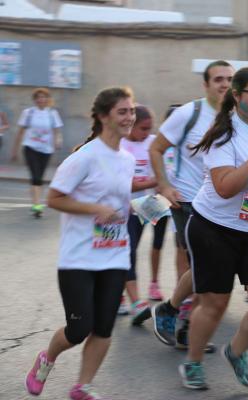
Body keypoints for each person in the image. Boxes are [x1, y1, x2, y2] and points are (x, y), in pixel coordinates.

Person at [179, 66, 248, 390]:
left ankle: (236, 351)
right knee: (214, 304)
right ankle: (194, 362)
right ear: (237, 96)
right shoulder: (223, 136)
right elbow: (226, 187)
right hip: (215, 227)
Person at [24, 87, 137, 399]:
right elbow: (54, 198)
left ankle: (82, 386)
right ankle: (46, 360)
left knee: (104, 328)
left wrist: (140, 206)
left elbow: (117, 201)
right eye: (122, 112)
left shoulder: (126, 159)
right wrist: (95, 209)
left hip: (114, 255)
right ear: (103, 117)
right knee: (79, 329)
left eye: (131, 111)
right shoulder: (84, 158)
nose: (130, 117)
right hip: (78, 259)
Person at [149, 60, 235, 349]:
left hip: (221, 203)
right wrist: (163, 185)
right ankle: (176, 312)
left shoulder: (237, 117)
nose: (224, 84)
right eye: (218, 79)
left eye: (229, 79)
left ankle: (183, 323)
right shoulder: (190, 113)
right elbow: (156, 148)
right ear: (206, 85)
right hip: (188, 201)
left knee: (210, 268)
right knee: (204, 265)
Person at [118, 104, 168, 325]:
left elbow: (164, 169)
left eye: (150, 128)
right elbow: (123, 184)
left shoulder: (153, 143)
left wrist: (161, 185)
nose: (147, 133)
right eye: (142, 128)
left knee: (158, 244)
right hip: (127, 207)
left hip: (151, 203)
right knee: (129, 251)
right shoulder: (120, 144)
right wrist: (156, 181)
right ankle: (127, 298)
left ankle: (147, 288)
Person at [11, 88, 63, 217]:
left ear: (48, 99)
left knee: (39, 176)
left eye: (44, 97)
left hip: (46, 150)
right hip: (30, 147)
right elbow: (20, 132)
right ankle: (36, 205)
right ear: (35, 100)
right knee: (35, 176)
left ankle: (36, 202)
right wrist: (14, 150)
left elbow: (57, 131)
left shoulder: (52, 114)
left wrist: (58, 141)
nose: (41, 99)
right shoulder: (28, 113)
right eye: (39, 97)